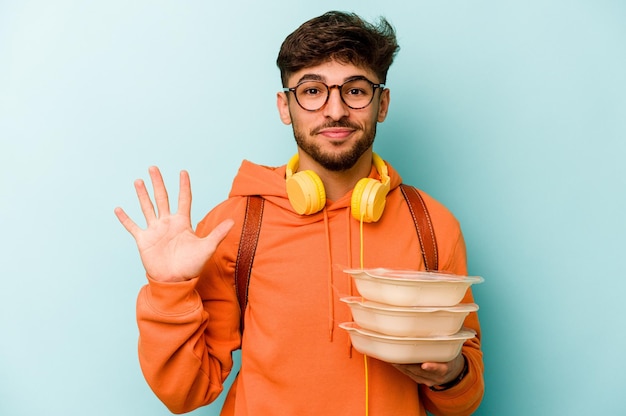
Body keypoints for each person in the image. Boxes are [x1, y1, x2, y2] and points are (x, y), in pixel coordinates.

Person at [115, 10, 484, 416]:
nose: (335, 110)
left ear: (382, 103)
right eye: (312, 91)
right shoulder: (234, 226)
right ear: (284, 106)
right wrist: (169, 289)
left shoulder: (432, 226)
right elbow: (185, 394)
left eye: (356, 91)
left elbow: (461, 400)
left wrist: (452, 375)